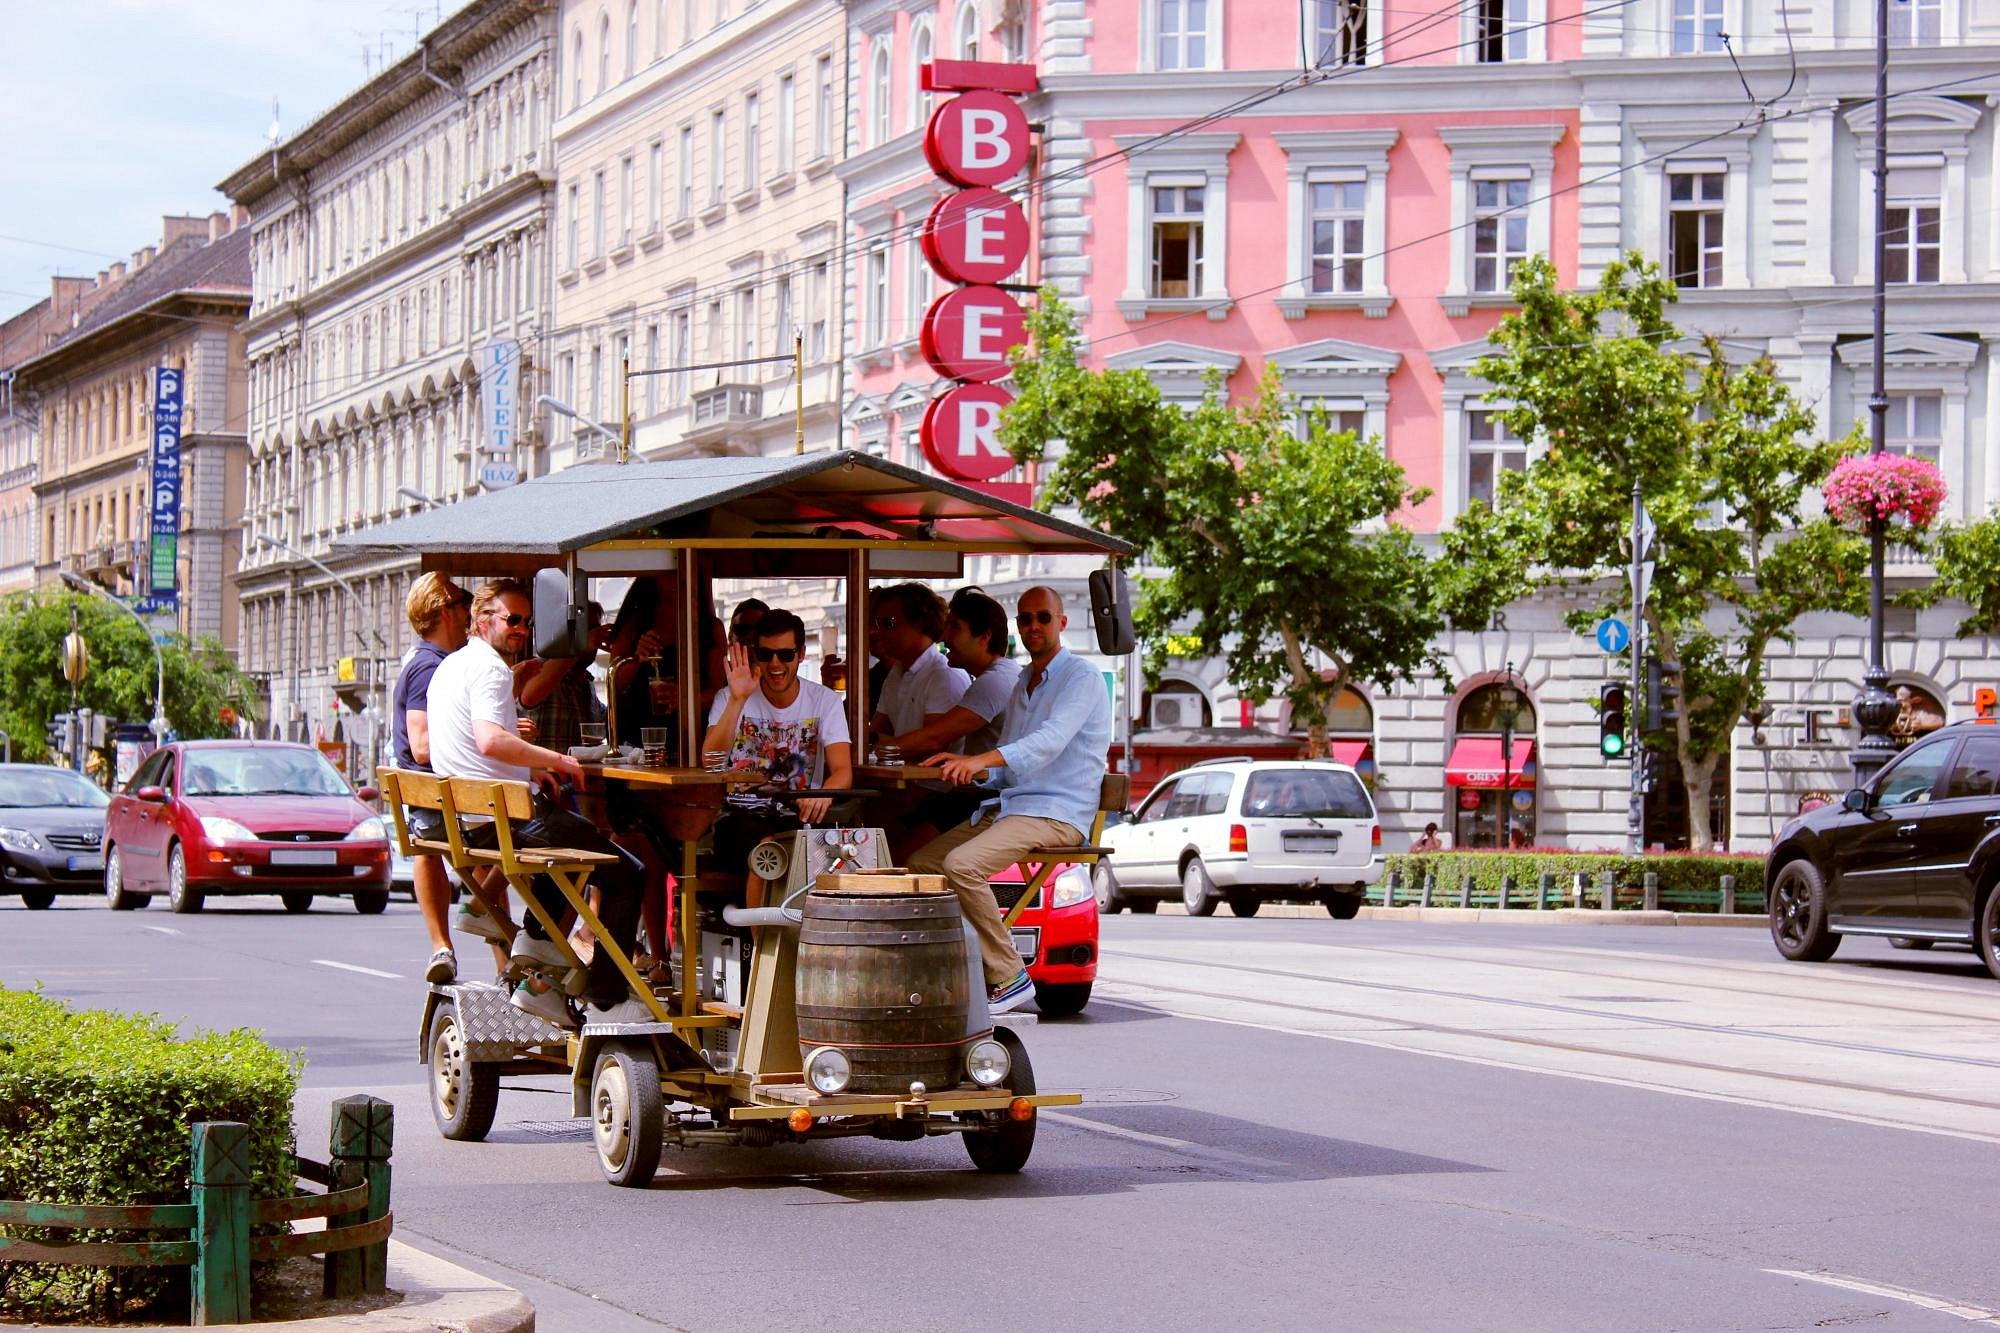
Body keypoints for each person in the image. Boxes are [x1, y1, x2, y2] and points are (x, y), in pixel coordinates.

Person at [427, 578, 649, 1026]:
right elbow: (489, 741)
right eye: (513, 620)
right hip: (503, 816)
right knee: (626, 871)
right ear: (481, 619)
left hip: (473, 813)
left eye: (526, 622)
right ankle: (606, 996)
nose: (521, 629)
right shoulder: (489, 669)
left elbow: (466, 745)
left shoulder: (453, 665)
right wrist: (557, 759)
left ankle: (538, 969)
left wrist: (531, 769)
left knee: (577, 839)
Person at [910, 586, 1110, 1014]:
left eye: (1042, 617)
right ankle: (962, 966)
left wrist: (983, 758)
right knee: (921, 866)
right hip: (1014, 806)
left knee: (961, 866)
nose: (1033, 626)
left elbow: (1048, 743)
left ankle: (1008, 975)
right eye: (1025, 619)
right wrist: (968, 764)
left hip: (1057, 813)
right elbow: (1011, 765)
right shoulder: (1023, 680)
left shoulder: (1083, 677)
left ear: (1061, 622)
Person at [702, 608, 853, 904]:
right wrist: (737, 699)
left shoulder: (824, 700)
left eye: (785, 655)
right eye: (765, 654)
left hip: (800, 817)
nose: (774, 664)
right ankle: (763, 947)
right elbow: (710, 762)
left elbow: (843, 770)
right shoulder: (730, 697)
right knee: (768, 850)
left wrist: (823, 794)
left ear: (801, 654)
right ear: (754, 654)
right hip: (739, 816)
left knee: (844, 855)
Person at [389, 572, 492, 985]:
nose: (469, 610)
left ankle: (451, 945)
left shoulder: (430, 662)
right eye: (464, 602)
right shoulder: (430, 667)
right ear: (446, 611)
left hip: (431, 806)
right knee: (513, 835)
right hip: (440, 804)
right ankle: (509, 957)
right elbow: (423, 745)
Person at [881, 588, 1022, 855]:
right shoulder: (992, 677)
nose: (944, 637)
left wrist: (868, 753)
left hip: (992, 800)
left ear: (984, 637)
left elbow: (934, 738)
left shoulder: (994, 681)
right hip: (979, 795)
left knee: (908, 858)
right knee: (890, 832)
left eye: (954, 627)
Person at [518, 600, 609, 754]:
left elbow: (608, 722)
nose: (593, 638)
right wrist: (580, 645)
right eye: (584, 630)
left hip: (578, 776)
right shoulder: (540, 667)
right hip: (544, 775)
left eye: (595, 630)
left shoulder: (586, 683)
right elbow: (528, 697)